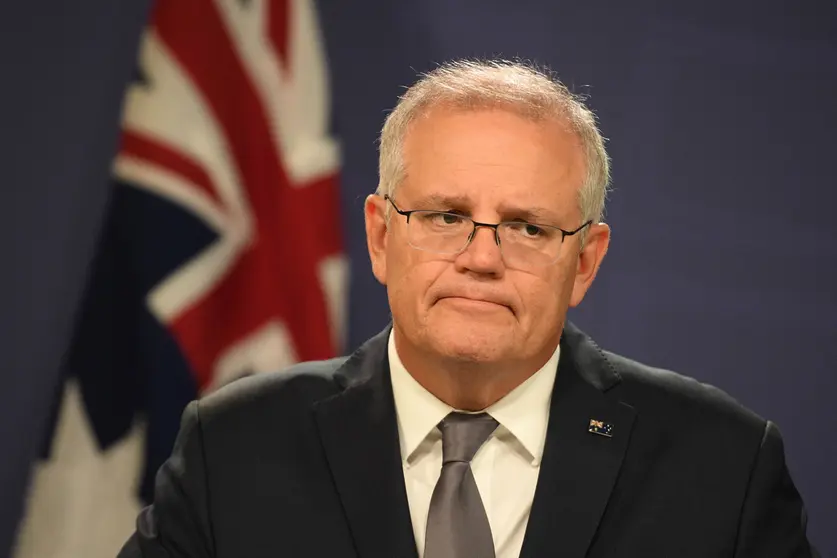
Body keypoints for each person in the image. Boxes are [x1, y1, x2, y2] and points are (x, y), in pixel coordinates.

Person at [118, 59, 817, 558]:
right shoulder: (234, 447)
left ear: (585, 260)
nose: (482, 257)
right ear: (381, 235)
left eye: (527, 227)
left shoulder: (719, 466)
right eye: (446, 216)